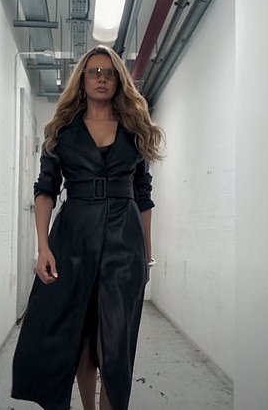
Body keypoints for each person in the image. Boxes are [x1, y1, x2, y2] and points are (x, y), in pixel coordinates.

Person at [11, 45, 164, 410]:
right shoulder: (62, 131)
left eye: (108, 72)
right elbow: (45, 190)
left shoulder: (134, 130)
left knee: (115, 343)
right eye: (93, 72)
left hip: (124, 244)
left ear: (118, 81)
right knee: (77, 338)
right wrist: (43, 247)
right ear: (81, 81)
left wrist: (147, 254)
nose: (101, 78)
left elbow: (143, 196)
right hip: (73, 241)